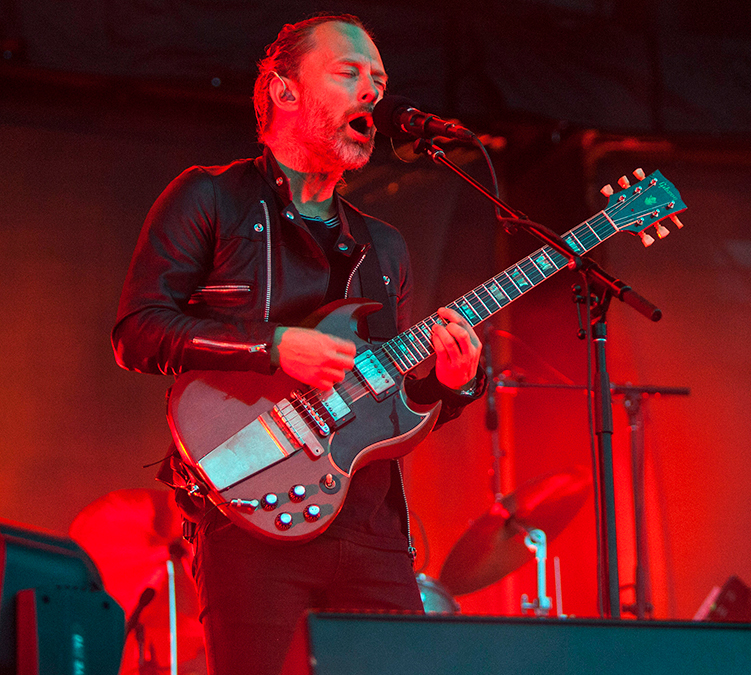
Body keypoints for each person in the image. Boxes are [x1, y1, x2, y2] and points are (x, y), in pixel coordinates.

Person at [111, 14, 484, 675]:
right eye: (349, 73)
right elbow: (138, 332)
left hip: (372, 533)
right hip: (249, 519)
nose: (371, 90)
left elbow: (385, 399)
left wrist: (446, 384)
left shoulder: (385, 245)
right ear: (284, 92)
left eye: (379, 79)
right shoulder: (211, 198)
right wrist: (273, 347)